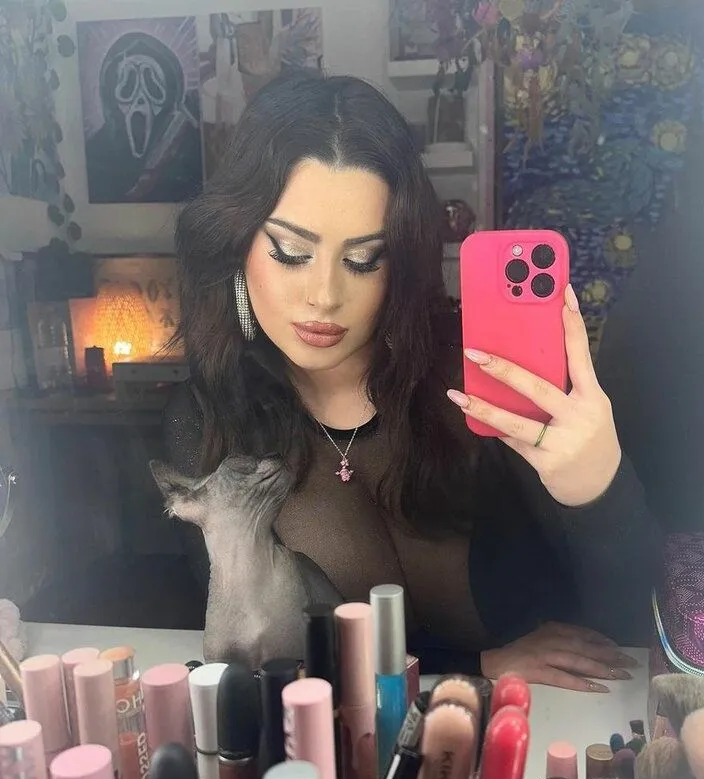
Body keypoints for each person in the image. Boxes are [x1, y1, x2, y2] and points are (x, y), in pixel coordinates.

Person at [164, 71, 661, 691]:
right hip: (336, 740)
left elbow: (634, 625)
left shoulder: (480, 381)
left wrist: (600, 490)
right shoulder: (207, 419)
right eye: (292, 252)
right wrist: (476, 667)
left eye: (363, 259)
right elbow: (252, 652)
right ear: (237, 242)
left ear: (398, 260)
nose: (324, 295)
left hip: (537, 723)